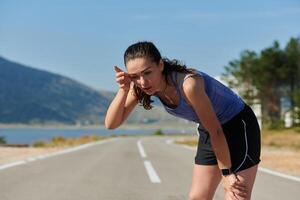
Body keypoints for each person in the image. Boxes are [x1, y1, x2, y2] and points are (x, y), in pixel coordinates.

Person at [105, 41, 261, 200]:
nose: (143, 82)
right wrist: (123, 89)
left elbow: (216, 131)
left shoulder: (189, 85)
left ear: (160, 65)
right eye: (134, 77)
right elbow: (112, 124)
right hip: (210, 129)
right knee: (197, 197)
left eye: (147, 73)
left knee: (235, 194)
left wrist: (226, 174)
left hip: (239, 126)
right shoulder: (141, 86)